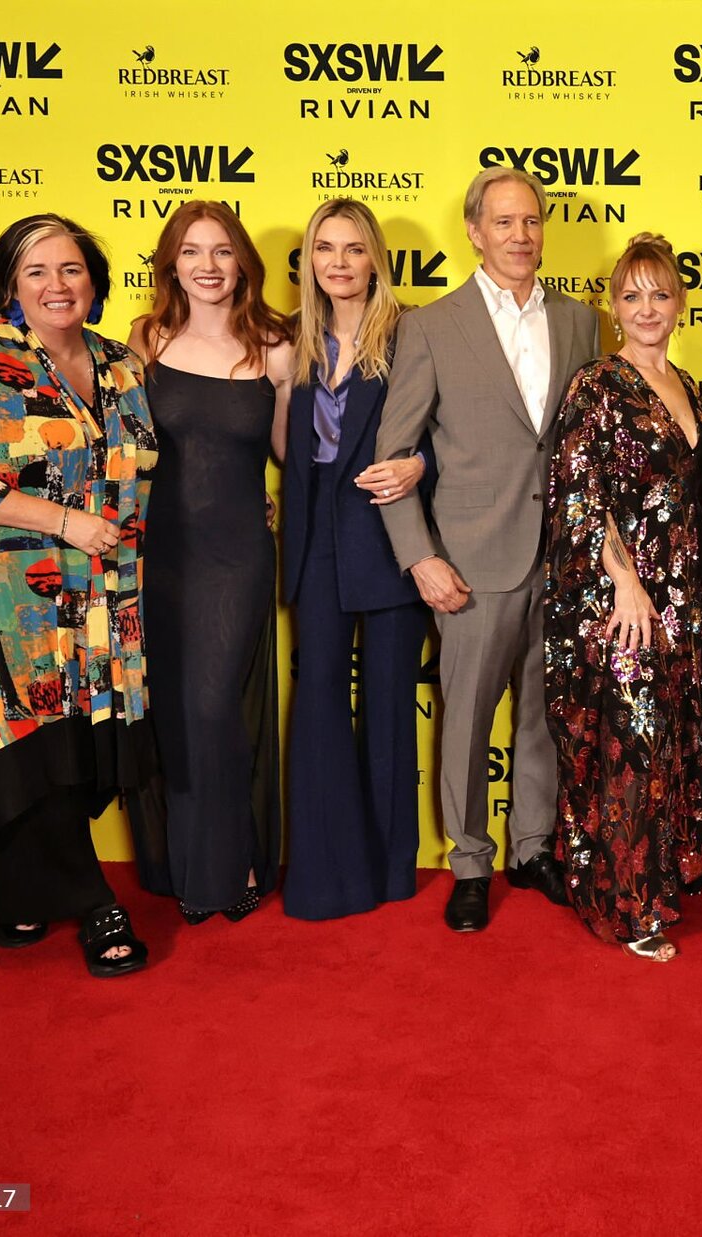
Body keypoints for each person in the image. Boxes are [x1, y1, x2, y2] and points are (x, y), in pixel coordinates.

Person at [0, 213, 157, 977]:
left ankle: (5, 889)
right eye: (37, 271)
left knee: (67, 744)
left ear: (95, 281)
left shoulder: (120, 364)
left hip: (97, 599)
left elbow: (144, 467)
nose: (57, 285)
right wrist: (64, 521)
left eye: (72, 269)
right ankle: (94, 901)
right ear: (11, 284)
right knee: (21, 739)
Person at [374, 167, 601, 932]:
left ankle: (533, 846)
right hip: (471, 564)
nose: (520, 235)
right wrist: (420, 557)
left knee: (544, 716)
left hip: (562, 561)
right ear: (474, 232)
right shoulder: (432, 326)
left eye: (531, 221)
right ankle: (469, 861)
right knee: (468, 723)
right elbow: (392, 455)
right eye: (503, 222)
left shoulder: (580, 320)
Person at [544, 233, 702, 962]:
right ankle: (630, 905)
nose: (647, 308)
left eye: (659, 294)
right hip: (623, 599)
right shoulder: (596, 383)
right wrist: (623, 582)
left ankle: (670, 874)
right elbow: (579, 493)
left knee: (676, 735)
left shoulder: (691, 386)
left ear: (680, 303)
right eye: (631, 296)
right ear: (613, 307)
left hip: (688, 596)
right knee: (633, 741)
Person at [125, 202, 292, 925]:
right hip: (160, 550)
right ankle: (184, 864)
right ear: (172, 264)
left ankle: (232, 864)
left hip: (237, 553)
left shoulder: (276, 347)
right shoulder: (146, 339)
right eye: (192, 251)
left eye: (222, 251)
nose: (208, 266)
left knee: (216, 704)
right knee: (172, 710)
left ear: (243, 262)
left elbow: (289, 453)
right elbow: (124, 446)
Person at [276, 198, 431, 920]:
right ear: (309, 260)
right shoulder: (293, 341)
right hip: (315, 546)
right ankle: (323, 875)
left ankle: (390, 870)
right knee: (318, 707)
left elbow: (452, 429)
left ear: (376, 260)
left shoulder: (412, 333)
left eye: (354, 248)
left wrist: (421, 464)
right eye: (324, 248)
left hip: (391, 541)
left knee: (390, 708)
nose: (338, 263)